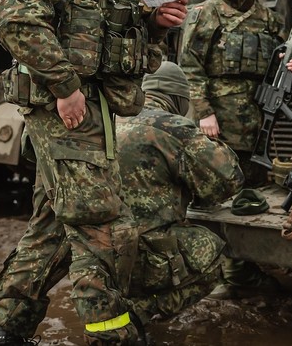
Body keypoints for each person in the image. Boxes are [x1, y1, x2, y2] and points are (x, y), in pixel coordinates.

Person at [0, 0, 188, 346]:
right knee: (103, 224)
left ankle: (4, 331)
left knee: (54, 225)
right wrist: (65, 87)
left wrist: (151, 21)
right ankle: (112, 337)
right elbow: (15, 17)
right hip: (68, 107)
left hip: (94, 103)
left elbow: (103, 30)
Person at [67, 61, 243, 345]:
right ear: (179, 98)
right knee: (210, 253)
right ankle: (139, 313)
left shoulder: (106, 119)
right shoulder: (172, 126)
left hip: (93, 260)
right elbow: (227, 181)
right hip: (144, 257)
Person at [178, 0, 292, 299]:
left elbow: (274, 69)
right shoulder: (206, 14)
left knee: (249, 194)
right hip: (216, 121)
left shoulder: (269, 20)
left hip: (256, 122)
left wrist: (289, 69)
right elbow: (189, 67)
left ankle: (242, 268)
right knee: (214, 194)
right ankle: (216, 272)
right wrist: (203, 113)